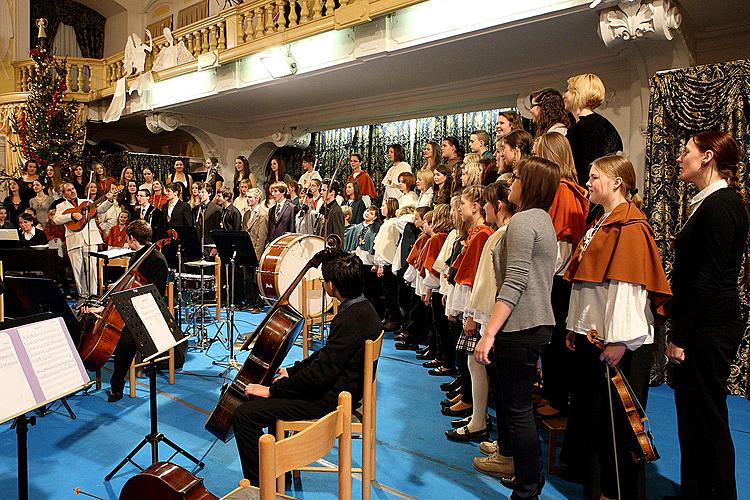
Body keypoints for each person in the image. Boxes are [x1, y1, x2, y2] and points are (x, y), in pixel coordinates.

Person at [563, 155, 671, 500]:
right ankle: (599, 490)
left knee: (620, 427)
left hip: (618, 346)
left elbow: (628, 287)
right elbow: (587, 284)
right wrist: (575, 327)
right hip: (596, 338)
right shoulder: (603, 220)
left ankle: (619, 492)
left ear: (617, 183)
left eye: (594, 177)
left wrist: (621, 341)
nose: (588, 183)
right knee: (598, 422)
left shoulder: (630, 226)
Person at [232, 251, 381, 485]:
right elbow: (326, 356)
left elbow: (321, 375)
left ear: (332, 285)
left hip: (332, 399)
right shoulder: (362, 308)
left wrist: (273, 391)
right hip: (342, 389)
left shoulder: (350, 318)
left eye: (324, 281)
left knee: (244, 415)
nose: (323, 285)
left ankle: (263, 485)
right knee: (268, 392)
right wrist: (291, 372)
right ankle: (279, 472)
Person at [667, 131, 749, 500]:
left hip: (708, 327)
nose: (680, 158)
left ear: (708, 157)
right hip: (703, 323)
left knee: (707, 420)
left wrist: (680, 335)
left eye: (686, 152)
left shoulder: (721, 205)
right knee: (693, 417)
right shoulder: (711, 202)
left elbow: (709, 279)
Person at [473, 156, 561, 499]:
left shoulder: (525, 222)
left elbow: (513, 283)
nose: (512, 183)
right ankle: (530, 480)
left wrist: (489, 333)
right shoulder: (542, 220)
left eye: (518, 178)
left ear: (532, 184)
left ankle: (526, 490)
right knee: (518, 408)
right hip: (534, 324)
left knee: (518, 411)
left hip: (520, 326)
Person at [533, 131, 590, 417]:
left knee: (555, 342)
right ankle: (551, 393)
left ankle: (557, 399)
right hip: (555, 277)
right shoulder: (563, 189)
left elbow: (562, 244)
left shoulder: (564, 191)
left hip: (557, 279)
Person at [91, 219, 169, 402]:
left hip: (147, 313)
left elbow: (155, 294)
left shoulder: (157, 259)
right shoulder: (137, 256)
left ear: (132, 238)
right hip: (129, 307)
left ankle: (116, 384)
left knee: (126, 341)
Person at [53, 182, 114, 299]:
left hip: (91, 239)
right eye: (68, 190)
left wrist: (109, 201)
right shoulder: (61, 206)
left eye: (73, 188)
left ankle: (93, 295)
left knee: (92, 269)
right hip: (73, 240)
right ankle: (83, 296)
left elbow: (100, 210)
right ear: (63, 194)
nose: (72, 191)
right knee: (78, 270)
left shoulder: (87, 202)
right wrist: (71, 216)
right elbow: (57, 220)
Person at [563, 73, 623, 187]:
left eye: (568, 90)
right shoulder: (601, 123)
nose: (564, 95)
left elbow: (585, 170)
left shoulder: (585, 128)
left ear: (578, 94)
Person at [242, 187, 268, 313]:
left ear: (257, 199)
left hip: (256, 250)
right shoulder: (247, 214)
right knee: (246, 278)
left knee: (255, 279)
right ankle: (249, 301)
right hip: (246, 249)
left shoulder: (262, 214)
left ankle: (258, 304)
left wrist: (257, 256)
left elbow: (261, 237)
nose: (248, 199)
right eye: (247, 197)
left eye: (250, 197)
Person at [192, 182, 222, 249]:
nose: (200, 195)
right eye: (199, 192)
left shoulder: (217, 209)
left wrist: (215, 247)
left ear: (209, 193)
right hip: (198, 246)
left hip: (210, 245)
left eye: (203, 192)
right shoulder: (195, 209)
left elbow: (218, 230)